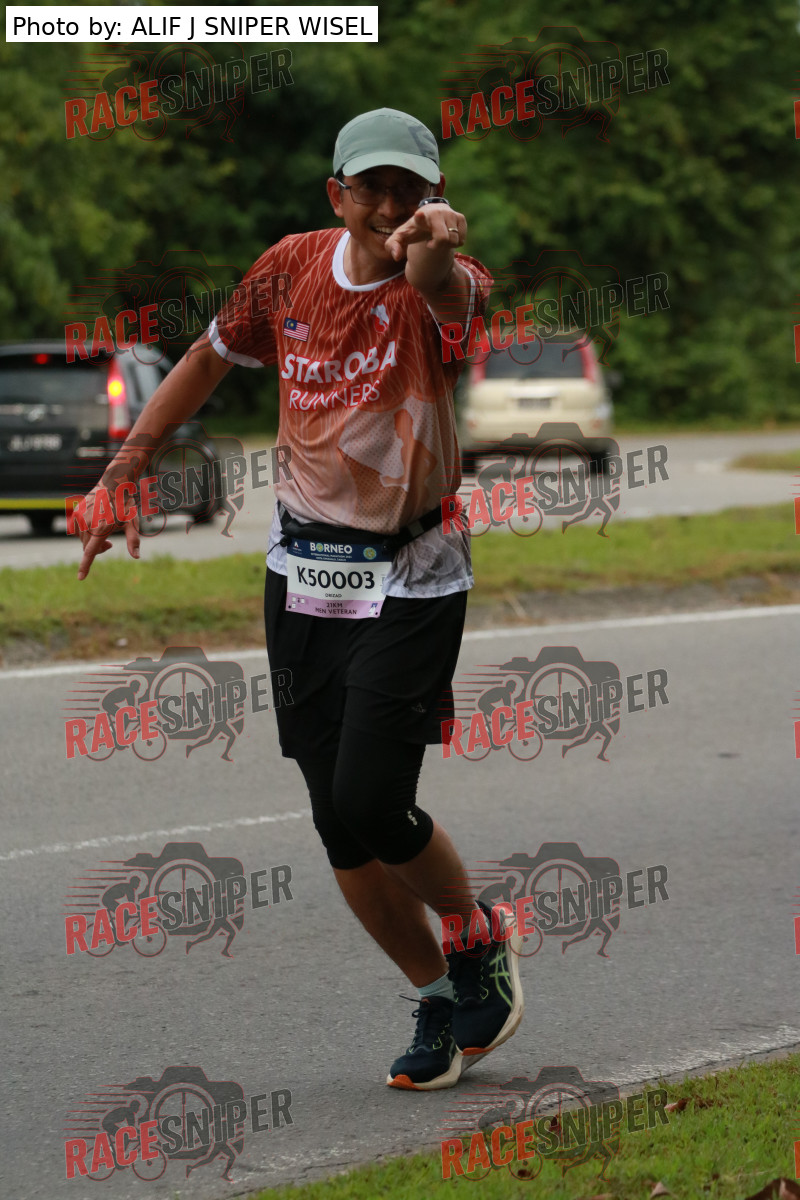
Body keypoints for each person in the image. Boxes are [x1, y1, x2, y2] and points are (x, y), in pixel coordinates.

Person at [74, 107, 524, 1090]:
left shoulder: (446, 280)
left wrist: (435, 251)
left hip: (412, 572)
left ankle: (475, 934)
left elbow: (442, 288)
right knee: (335, 821)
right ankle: (438, 996)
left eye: (412, 189)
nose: (391, 205)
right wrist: (122, 473)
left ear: (437, 198)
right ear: (337, 194)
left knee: (372, 798)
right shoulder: (288, 268)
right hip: (304, 573)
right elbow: (206, 359)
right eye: (373, 188)